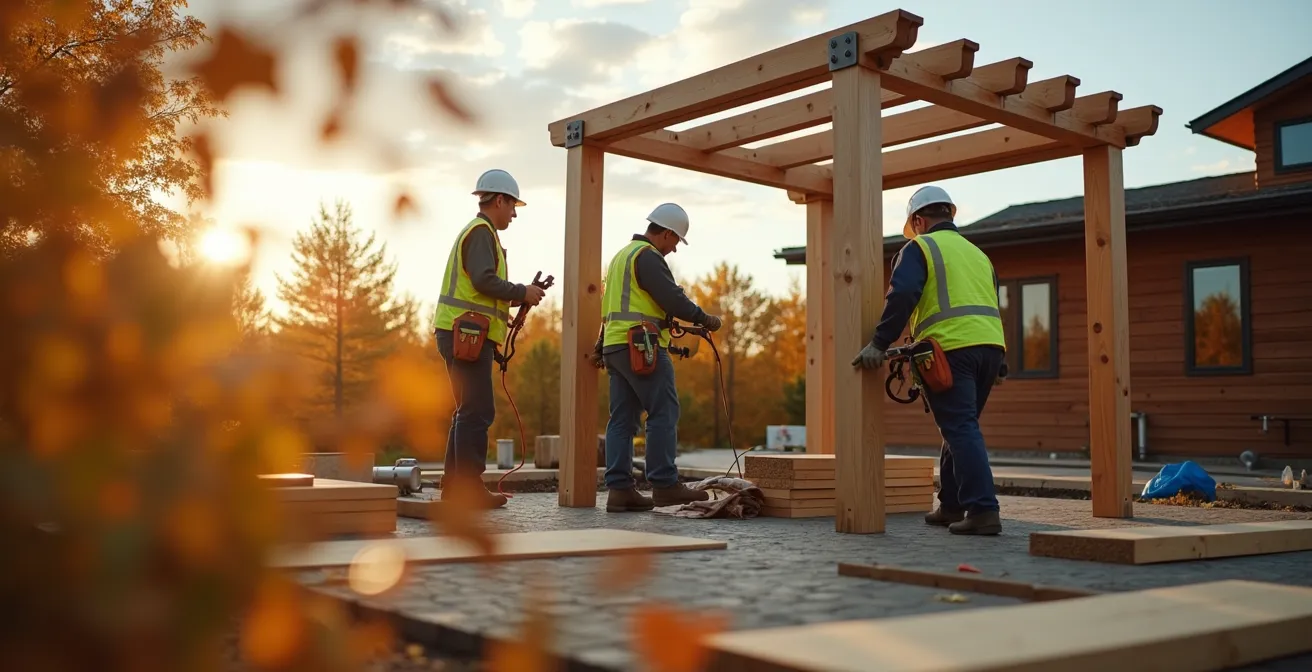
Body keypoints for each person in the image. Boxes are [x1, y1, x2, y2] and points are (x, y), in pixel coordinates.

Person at [851, 186, 1008, 535]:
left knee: (960, 427)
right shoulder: (977, 254)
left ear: (918, 220)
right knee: (958, 426)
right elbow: (991, 306)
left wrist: (879, 343)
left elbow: (903, 293)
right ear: (950, 214)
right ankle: (952, 505)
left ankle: (983, 510)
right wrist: (1001, 364)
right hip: (989, 350)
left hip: (949, 350)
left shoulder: (919, 248)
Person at [588, 203, 724, 513]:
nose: (674, 249)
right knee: (664, 411)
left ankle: (620, 490)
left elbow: (619, 305)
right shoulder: (648, 257)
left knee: (622, 419)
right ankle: (665, 485)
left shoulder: (622, 256)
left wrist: (602, 342)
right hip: (642, 346)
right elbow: (671, 298)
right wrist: (704, 318)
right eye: (675, 240)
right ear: (665, 233)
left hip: (617, 346)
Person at [431, 169, 546, 509]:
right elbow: (483, 280)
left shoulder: (481, 234)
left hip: (461, 333)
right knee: (478, 411)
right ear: (499, 200)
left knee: (466, 411)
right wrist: (522, 291)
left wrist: (513, 300)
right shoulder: (482, 232)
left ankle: (455, 489)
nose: (514, 213)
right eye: (513, 206)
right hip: (464, 336)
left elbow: (479, 288)